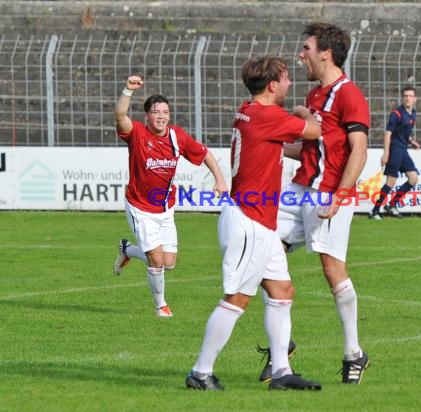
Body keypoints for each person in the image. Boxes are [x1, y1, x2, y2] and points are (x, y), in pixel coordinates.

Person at [185, 56, 322, 391]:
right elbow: (315, 131)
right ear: (273, 85)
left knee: (282, 291)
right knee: (237, 299)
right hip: (249, 221)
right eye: (287, 79)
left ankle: (281, 371)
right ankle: (200, 373)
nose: (290, 84)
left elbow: (277, 147)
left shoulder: (249, 111)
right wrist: (308, 112)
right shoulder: (268, 115)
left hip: (259, 223)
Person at [258, 22, 371, 385]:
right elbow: (309, 148)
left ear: (326, 52)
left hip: (329, 193)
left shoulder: (350, 94)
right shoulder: (312, 98)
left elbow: (359, 150)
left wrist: (341, 194)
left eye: (306, 48)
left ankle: (354, 354)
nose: (301, 54)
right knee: (261, 253)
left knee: (332, 269)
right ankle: (282, 345)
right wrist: (265, 143)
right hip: (301, 189)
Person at [113, 75, 228, 317]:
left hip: (165, 209)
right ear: (147, 116)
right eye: (156, 112)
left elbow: (204, 153)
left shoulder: (177, 136)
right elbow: (120, 116)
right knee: (156, 261)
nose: (161, 116)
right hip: (140, 207)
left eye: (165, 111)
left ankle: (127, 249)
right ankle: (161, 306)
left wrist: (219, 179)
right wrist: (127, 90)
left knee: (169, 262)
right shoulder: (137, 134)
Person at [369, 86, 420, 220]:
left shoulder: (413, 114)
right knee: (391, 182)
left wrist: (411, 141)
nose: (408, 98)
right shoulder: (396, 114)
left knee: (413, 179)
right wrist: (386, 153)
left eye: (410, 96)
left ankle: (391, 205)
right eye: (405, 96)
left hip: (403, 149)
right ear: (403, 98)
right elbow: (388, 133)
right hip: (395, 150)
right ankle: (374, 211)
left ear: (415, 99)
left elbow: (402, 133)